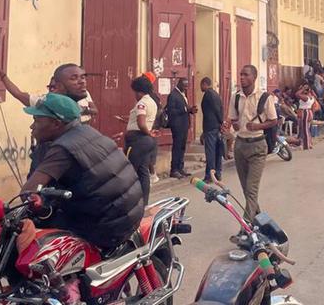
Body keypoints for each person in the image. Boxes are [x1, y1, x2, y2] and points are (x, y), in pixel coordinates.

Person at [21, 93, 144, 250]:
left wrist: (27, 200)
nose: (32, 126)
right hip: (128, 215)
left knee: (35, 245)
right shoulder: (87, 132)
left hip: (105, 227)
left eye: (37, 120)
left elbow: (28, 191)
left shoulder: (62, 149)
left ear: (56, 123)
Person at [230, 65, 279, 223]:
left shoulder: (264, 97)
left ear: (254, 77)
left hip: (257, 146)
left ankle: (245, 228)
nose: (242, 77)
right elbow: (233, 119)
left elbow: (273, 120)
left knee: (251, 190)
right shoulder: (235, 97)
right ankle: (260, 220)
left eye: (246, 74)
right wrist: (233, 125)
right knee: (246, 189)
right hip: (240, 145)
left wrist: (258, 126)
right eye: (240, 74)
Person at [120, 76, 158, 208]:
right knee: (143, 172)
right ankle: (144, 203)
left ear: (138, 91)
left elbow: (141, 123)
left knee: (130, 171)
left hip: (137, 140)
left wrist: (148, 132)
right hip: (146, 141)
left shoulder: (141, 103)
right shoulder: (152, 102)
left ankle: (129, 203)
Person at [165, 78, 197, 179]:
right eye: (184, 85)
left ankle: (180, 168)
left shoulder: (182, 94)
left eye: (187, 85)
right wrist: (185, 109)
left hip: (184, 125)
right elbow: (171, 111)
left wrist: (190, 110)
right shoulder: (173, 95)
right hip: (177, 125)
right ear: (179, 84)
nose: (186, 87)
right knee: (177, 147)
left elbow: (184, 109)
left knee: (182, 147)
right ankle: (174, 170)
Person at [200, 77, 225, 182]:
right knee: (217, 151)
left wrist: (220, 122)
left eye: (201, 85)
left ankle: (210, 175)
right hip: (215, 126)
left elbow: (216, 109)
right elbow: (220, 108)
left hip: (211, 127)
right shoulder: (215, 94)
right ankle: (217, 173)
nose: (201, 87)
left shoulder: (209, 94)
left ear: (205, 84)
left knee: (210, 152)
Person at [296, 83, 317, 149]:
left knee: (305, 129)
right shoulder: (312, 97)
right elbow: (315, 97)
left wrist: (302, 89)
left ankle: (306, 144)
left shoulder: (306, 98)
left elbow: (297, 94)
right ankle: (308, 143)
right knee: (306, 129)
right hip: (309, 111)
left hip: (305, 112)